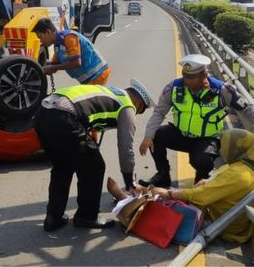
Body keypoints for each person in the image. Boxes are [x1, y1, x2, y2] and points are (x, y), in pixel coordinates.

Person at [34, 79, 155, 231]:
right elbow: (126, 149)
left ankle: (53, 217)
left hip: (43, 113)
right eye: (140, 110)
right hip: (64, 117)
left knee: (62, 167)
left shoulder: (111, 93)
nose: (136, 113)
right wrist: (129, 182)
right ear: (138, 103)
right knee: (95, 167)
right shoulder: (127, 106)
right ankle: (87, 216)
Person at [108, 129, 254, 244]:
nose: (221, 150)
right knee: (168, 194)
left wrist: (169, 194)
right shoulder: (244, 166)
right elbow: (217, 186)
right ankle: (132, 198)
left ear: (236, 148)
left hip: (221, 224)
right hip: (218, 213)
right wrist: (205, 183)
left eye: (225, 146)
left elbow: (201, 196)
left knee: (164, 208)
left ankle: (127, 203)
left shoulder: (239, 174)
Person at [138, 54, 254, 188]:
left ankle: (201, 182)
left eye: (192, 78)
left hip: (207, 139)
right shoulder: (174, 87)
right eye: (185, 76)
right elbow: (159, 112)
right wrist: (148, 136)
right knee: (157, 135)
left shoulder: (221, 90)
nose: (187, 81)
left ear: (204, 75)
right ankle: (162, 176)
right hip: (181, 134)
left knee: (201, 161)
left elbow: (246, 109)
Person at [32, 17, 111, 85]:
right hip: (89, 79)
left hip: (98, 75)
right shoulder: (57, 45)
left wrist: (53, 67)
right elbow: (54, 65)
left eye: (40, 37)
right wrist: (43, 67)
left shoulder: (69, 37)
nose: (41, 41)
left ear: (48, 32)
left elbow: (76, 62)